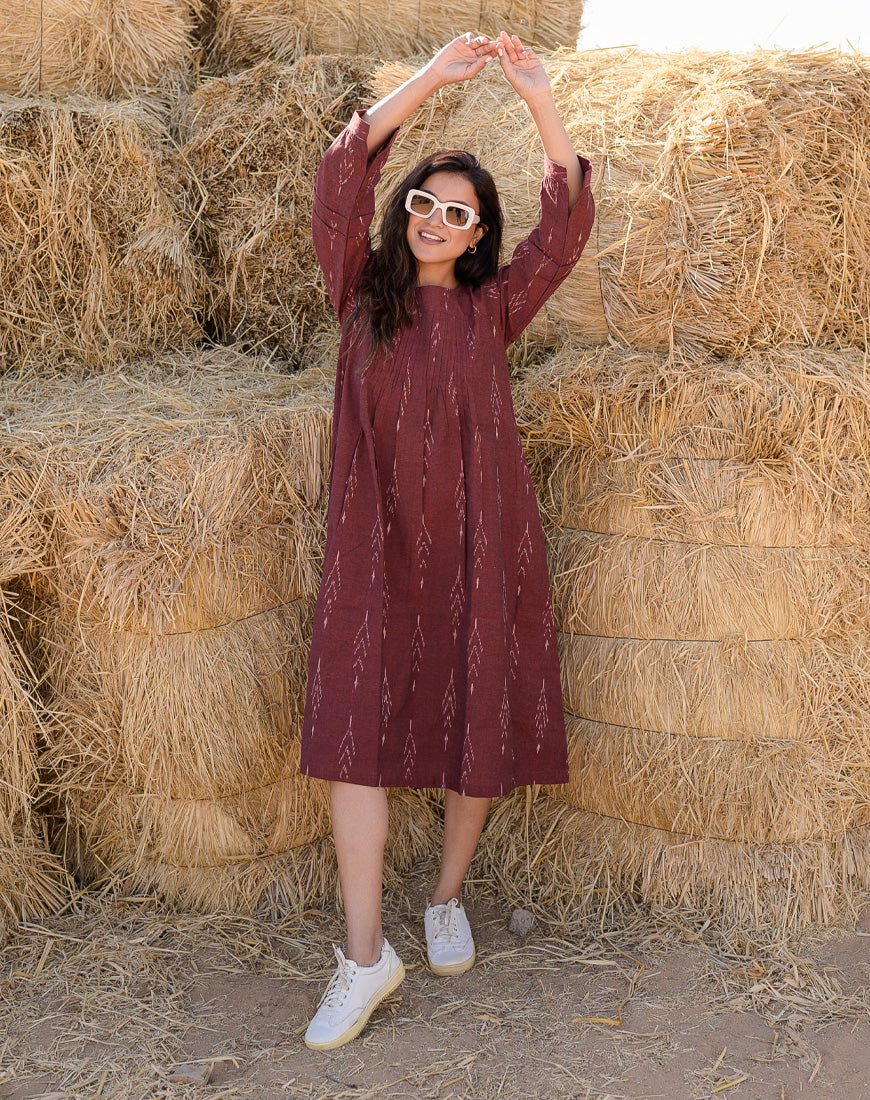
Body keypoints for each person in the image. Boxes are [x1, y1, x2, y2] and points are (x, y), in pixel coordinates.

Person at [300, 29, 594, 1050]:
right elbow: (341, 173)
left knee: (478, 710)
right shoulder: (358, 292)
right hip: (372, 543)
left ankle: (446, 896)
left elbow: (562, 231)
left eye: (456, 211)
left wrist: (538, 100)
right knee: (353, 733)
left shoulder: (496, 309)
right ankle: (364, 953)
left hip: (480, 540)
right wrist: (430, 78)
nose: (433, 219)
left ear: (478, 235)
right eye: (422, 201)